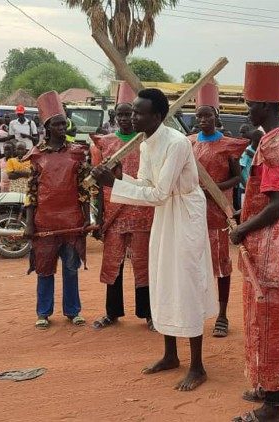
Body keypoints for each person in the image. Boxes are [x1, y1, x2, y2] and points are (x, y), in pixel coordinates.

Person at [90, 88, 217, 392]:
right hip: (165, 214)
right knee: (163, 279)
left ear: (158, 117)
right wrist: (120, 178)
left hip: (185, 213)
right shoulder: (147, 144)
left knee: (185, 282)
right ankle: (171, 355)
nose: (132, 117)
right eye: (132, 111)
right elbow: (148, 185)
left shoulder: (175, 144)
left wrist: (114, 184)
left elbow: (159, 193)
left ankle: (197, 366)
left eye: (139, 113)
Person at [229, 62, 279, 421]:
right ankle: (271, 389)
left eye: (250, 104)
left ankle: (270, 407)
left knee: (269, 323)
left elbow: (278, 204)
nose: (248, 110)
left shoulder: (274, 145)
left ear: (264, 105)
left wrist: (243, 229)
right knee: (276, 319)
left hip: (269, 247)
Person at [89, 82, 155, 332]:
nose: (126, 118)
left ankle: (148, 313)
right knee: (112, 262)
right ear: (115, 117)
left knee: (143, 263)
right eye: (122, 114)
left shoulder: (147, 142)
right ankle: (111, 312)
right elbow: (96, 182)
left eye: (130, 114)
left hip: (142, 211)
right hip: (114, 212)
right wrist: (99, 215)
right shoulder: (105, 143)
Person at [24, 91, 91, 330]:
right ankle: (43, 312)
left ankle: (73, 311)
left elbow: (84, 188)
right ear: (47, 127)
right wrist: (30, 223)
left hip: (72, 220)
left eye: (64, 122)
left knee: (71, 269)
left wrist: (87, 218)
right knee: (44, 269)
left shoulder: (77, 152)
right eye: (58, 123)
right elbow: (31, 192)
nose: (63, 127)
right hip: (45, 222)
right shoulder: (37, 155)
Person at [188, 82, 248, 338]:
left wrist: (213, 188)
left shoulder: (228, 145)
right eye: (199, 115)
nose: (203, 120)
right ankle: (196, 312)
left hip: (218, 213)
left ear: (216, 117)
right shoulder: (188, 144)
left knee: (222, 266)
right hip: (193, 214)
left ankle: (222, 315)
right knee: (194, 264)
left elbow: (239, 178)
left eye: (207, 115)